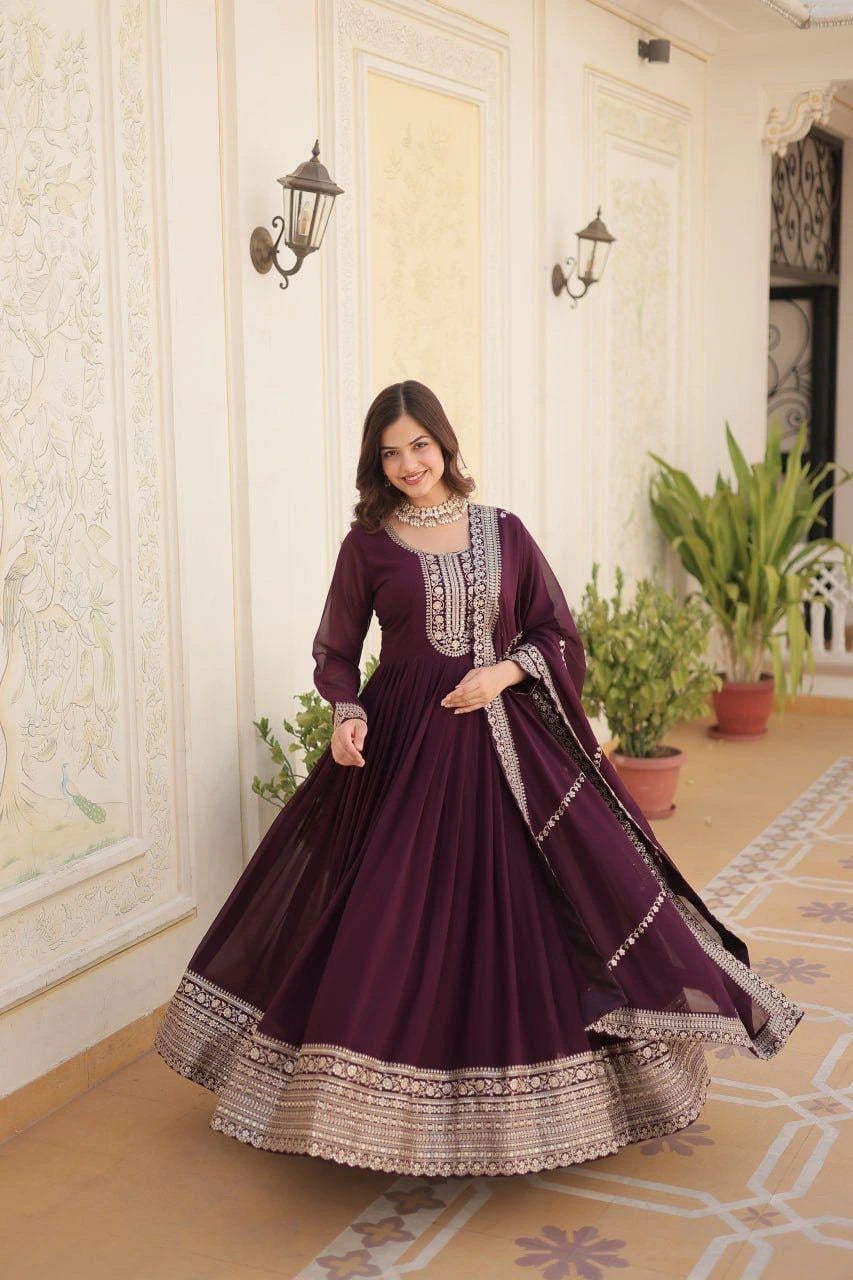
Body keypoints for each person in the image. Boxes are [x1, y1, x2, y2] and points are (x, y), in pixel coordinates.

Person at [154, 379, 804, 1177]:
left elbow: (553, 632)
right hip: (402, 749)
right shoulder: (368, 545)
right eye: (389, 454)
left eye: (418, 446)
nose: (406, 465)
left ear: (444, 442)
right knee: (391, 911)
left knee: (530, 904)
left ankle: (537, 1103)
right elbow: (335, 652)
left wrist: (501, 676)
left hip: (506, 748)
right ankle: (367, 1107)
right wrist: (346, 712)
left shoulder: (505, 532)